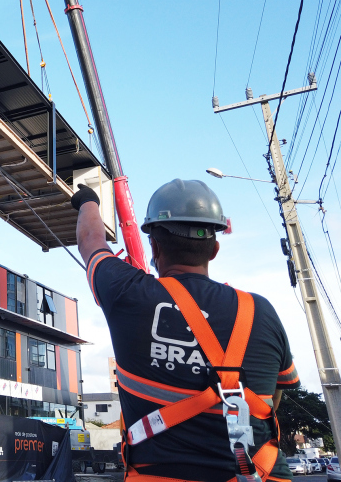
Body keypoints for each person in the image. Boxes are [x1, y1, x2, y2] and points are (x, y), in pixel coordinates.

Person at [72, 179, 300, 482]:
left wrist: (88, 199)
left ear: (154, 245)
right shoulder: (260, 311)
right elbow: (273, 396)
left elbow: (91, 240)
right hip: (262, 474)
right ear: (214, 249)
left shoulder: (127, 293)